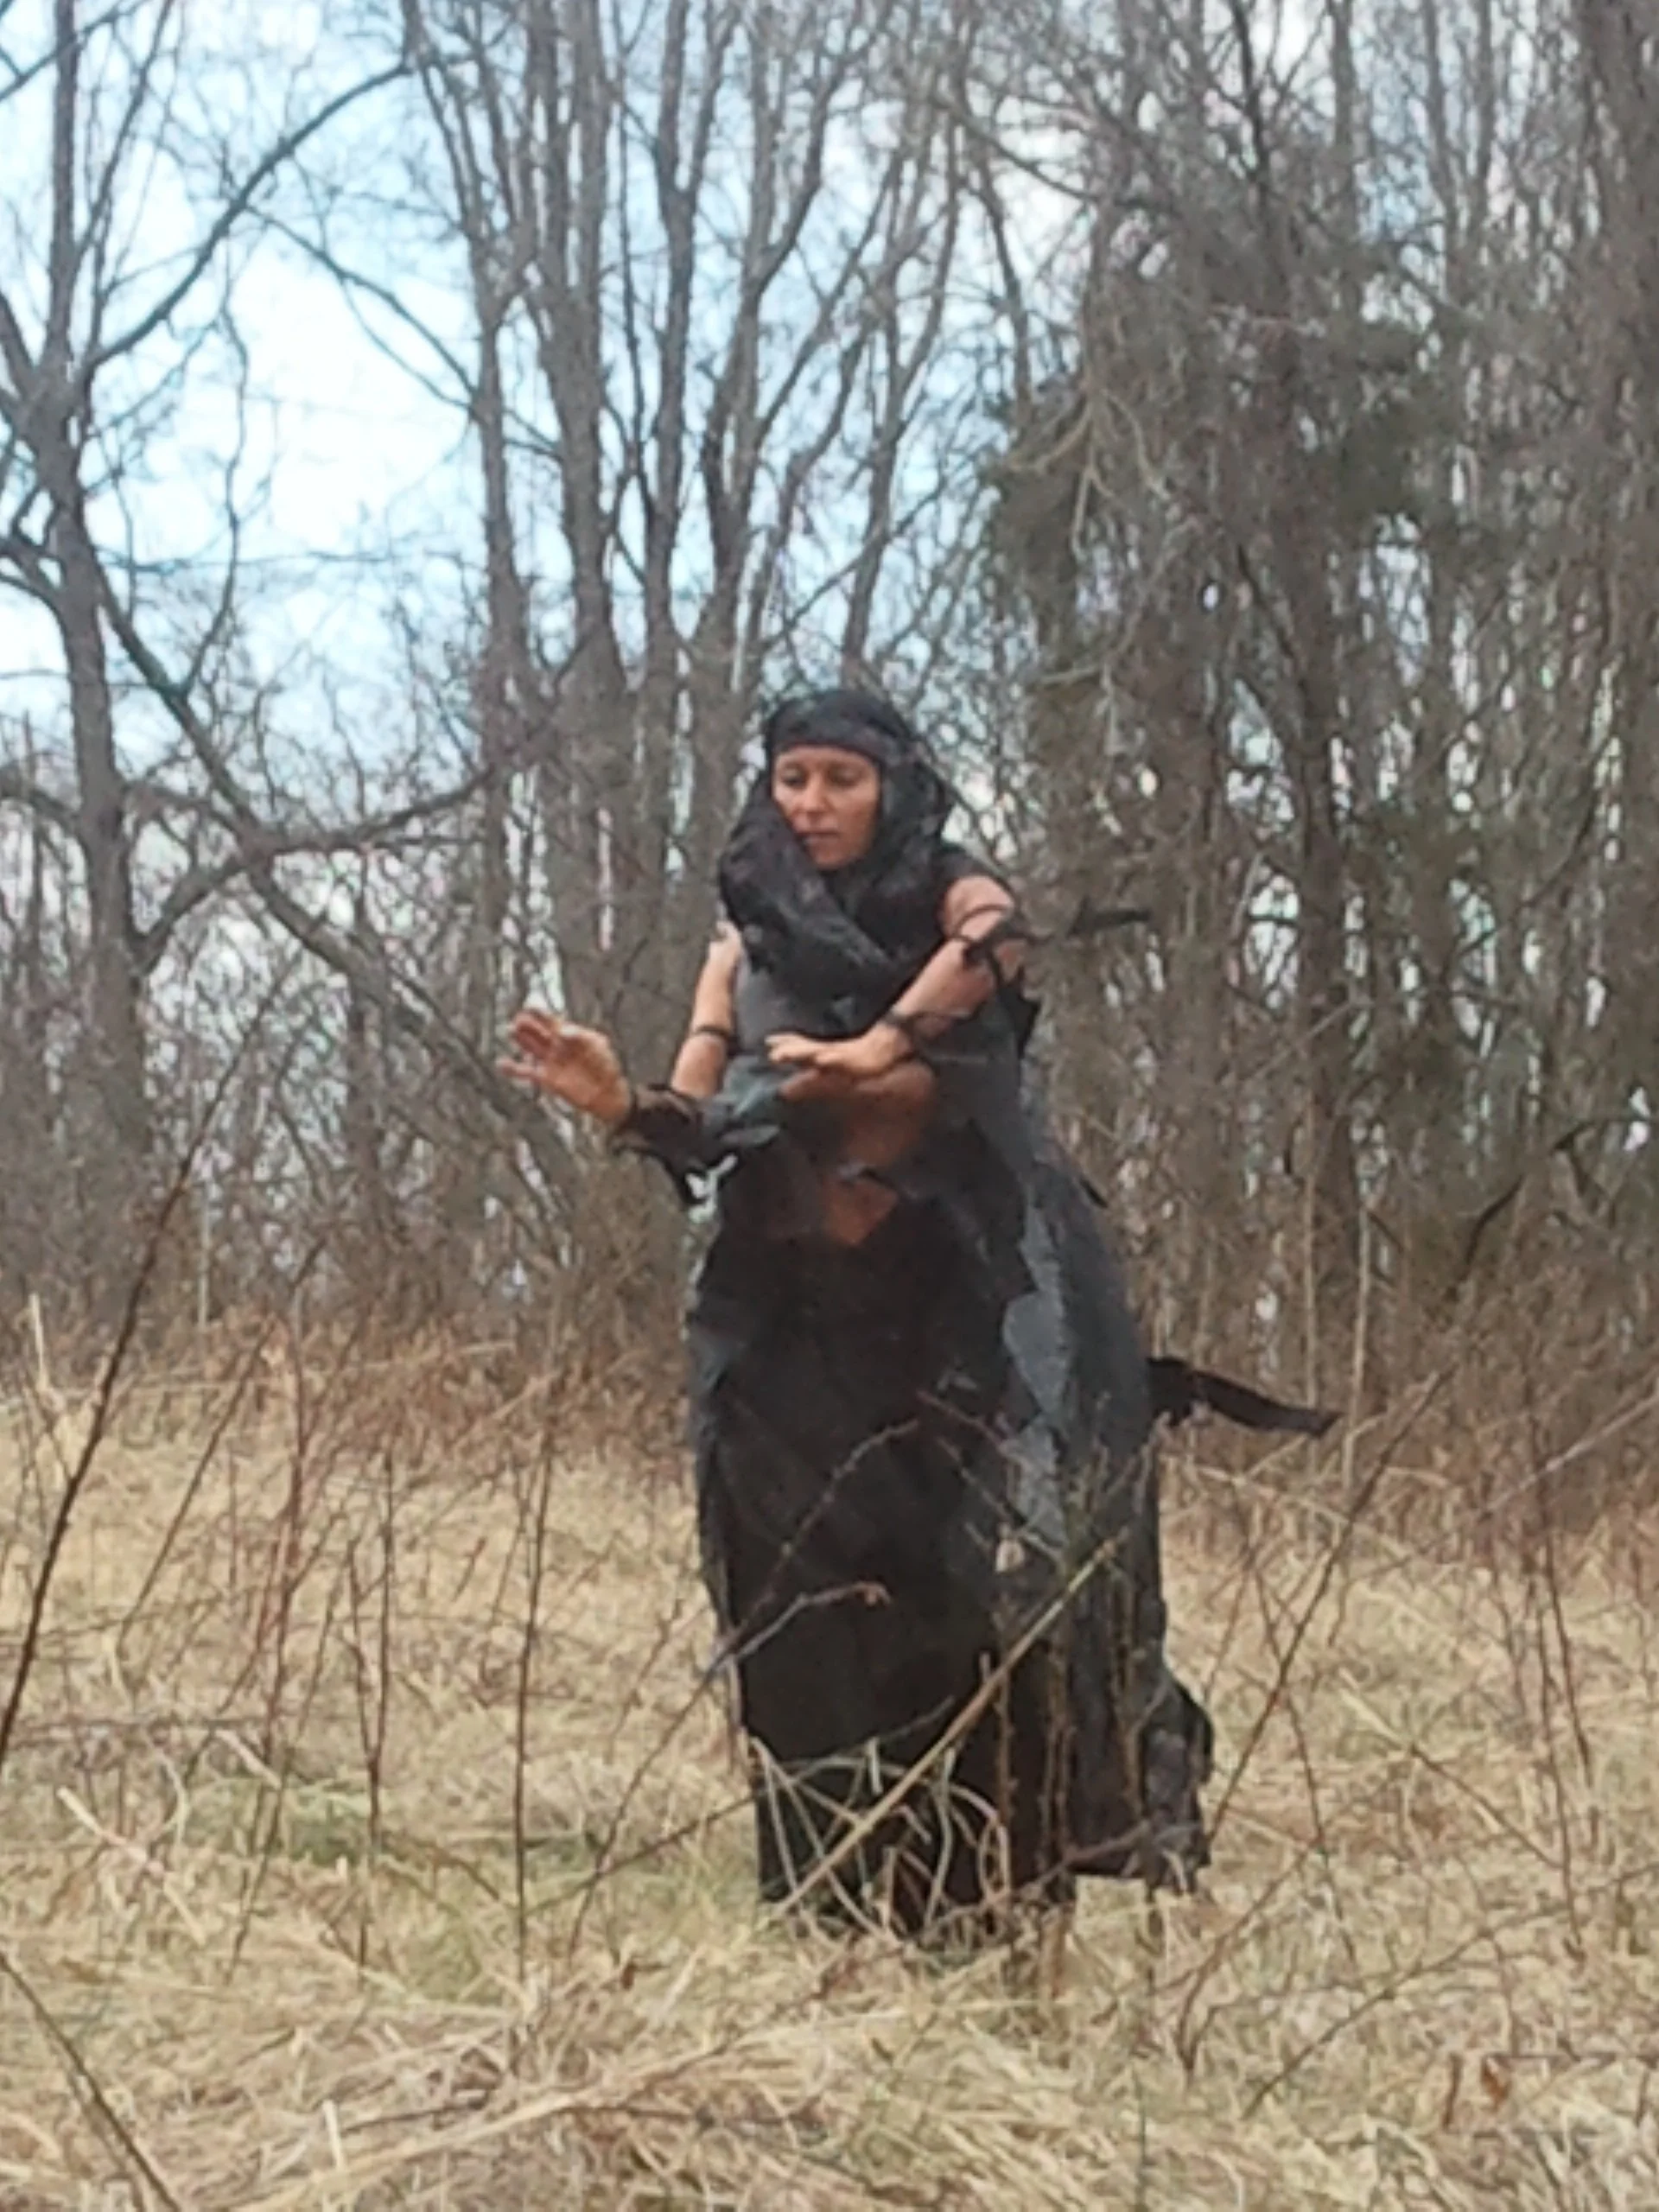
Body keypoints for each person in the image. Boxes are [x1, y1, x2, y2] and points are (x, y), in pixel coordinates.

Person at [500, 688, 1211, 1936]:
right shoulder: (748, 942)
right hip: (793, 1326)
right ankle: (830, 1907)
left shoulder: (949, 895)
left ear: (891, 785)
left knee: (989, 1601)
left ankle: (983, 1913)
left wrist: (880, 1049)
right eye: (792, 779)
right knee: (800, 1609)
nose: (812, 804)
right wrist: (617, 1105)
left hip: (967, 1317)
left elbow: (998, 943)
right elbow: (702, 1126)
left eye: (840, 779)